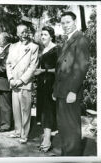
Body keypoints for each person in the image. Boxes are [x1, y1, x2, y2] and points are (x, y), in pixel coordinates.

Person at [52, 11, 90, 156]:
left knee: (71, 126)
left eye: (68, 22)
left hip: (70, 92)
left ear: (75, 22)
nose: (65, 25)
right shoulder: (68, 40)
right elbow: (60, 69)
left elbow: (81, 67)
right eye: (63, 23)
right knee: (64, 126)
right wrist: (55, 90)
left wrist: (73, 91)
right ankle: (67, 154)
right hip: (62, 91)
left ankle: (72, 156)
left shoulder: (80, 39)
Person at [6, 24, 39, 144]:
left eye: (25, 32)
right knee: (16, 109)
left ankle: (24, 134)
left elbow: (33, 66)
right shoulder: (12, 46)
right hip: (13, 82)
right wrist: (10, 79)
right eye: (21, 32)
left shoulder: (34, 47)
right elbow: (8, 64)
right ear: (17, 34)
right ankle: (17, 131)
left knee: (25, 110)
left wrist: (21, 80)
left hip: (24, 83)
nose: (24, 34)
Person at [34, 26, 59, 152]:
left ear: (51, 36)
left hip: (51, 84)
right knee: (43, 111)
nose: (42, 37)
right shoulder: (44, 49)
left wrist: (43, 70)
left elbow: (60, 70)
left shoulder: (56, 49)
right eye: (41, 34)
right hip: (42, 84)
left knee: (48, 111)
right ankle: (45, 137)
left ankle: (47, 140)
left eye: (45, 34)